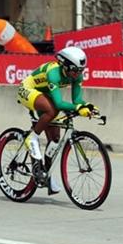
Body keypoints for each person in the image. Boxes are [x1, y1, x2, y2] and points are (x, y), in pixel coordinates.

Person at [17, 46, 97, 194]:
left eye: (81, 70)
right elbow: (59, 104)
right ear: (64, 65)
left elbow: (77, 100)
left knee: (55, 138)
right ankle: (32, 138)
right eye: (74, 70)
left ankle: (45, 173)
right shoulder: (54, 73)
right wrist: (77, 107)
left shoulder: (76, 75)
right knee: (53, 110)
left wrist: (87, 107)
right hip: (28, 90)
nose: (78, 74)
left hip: (45, 94)